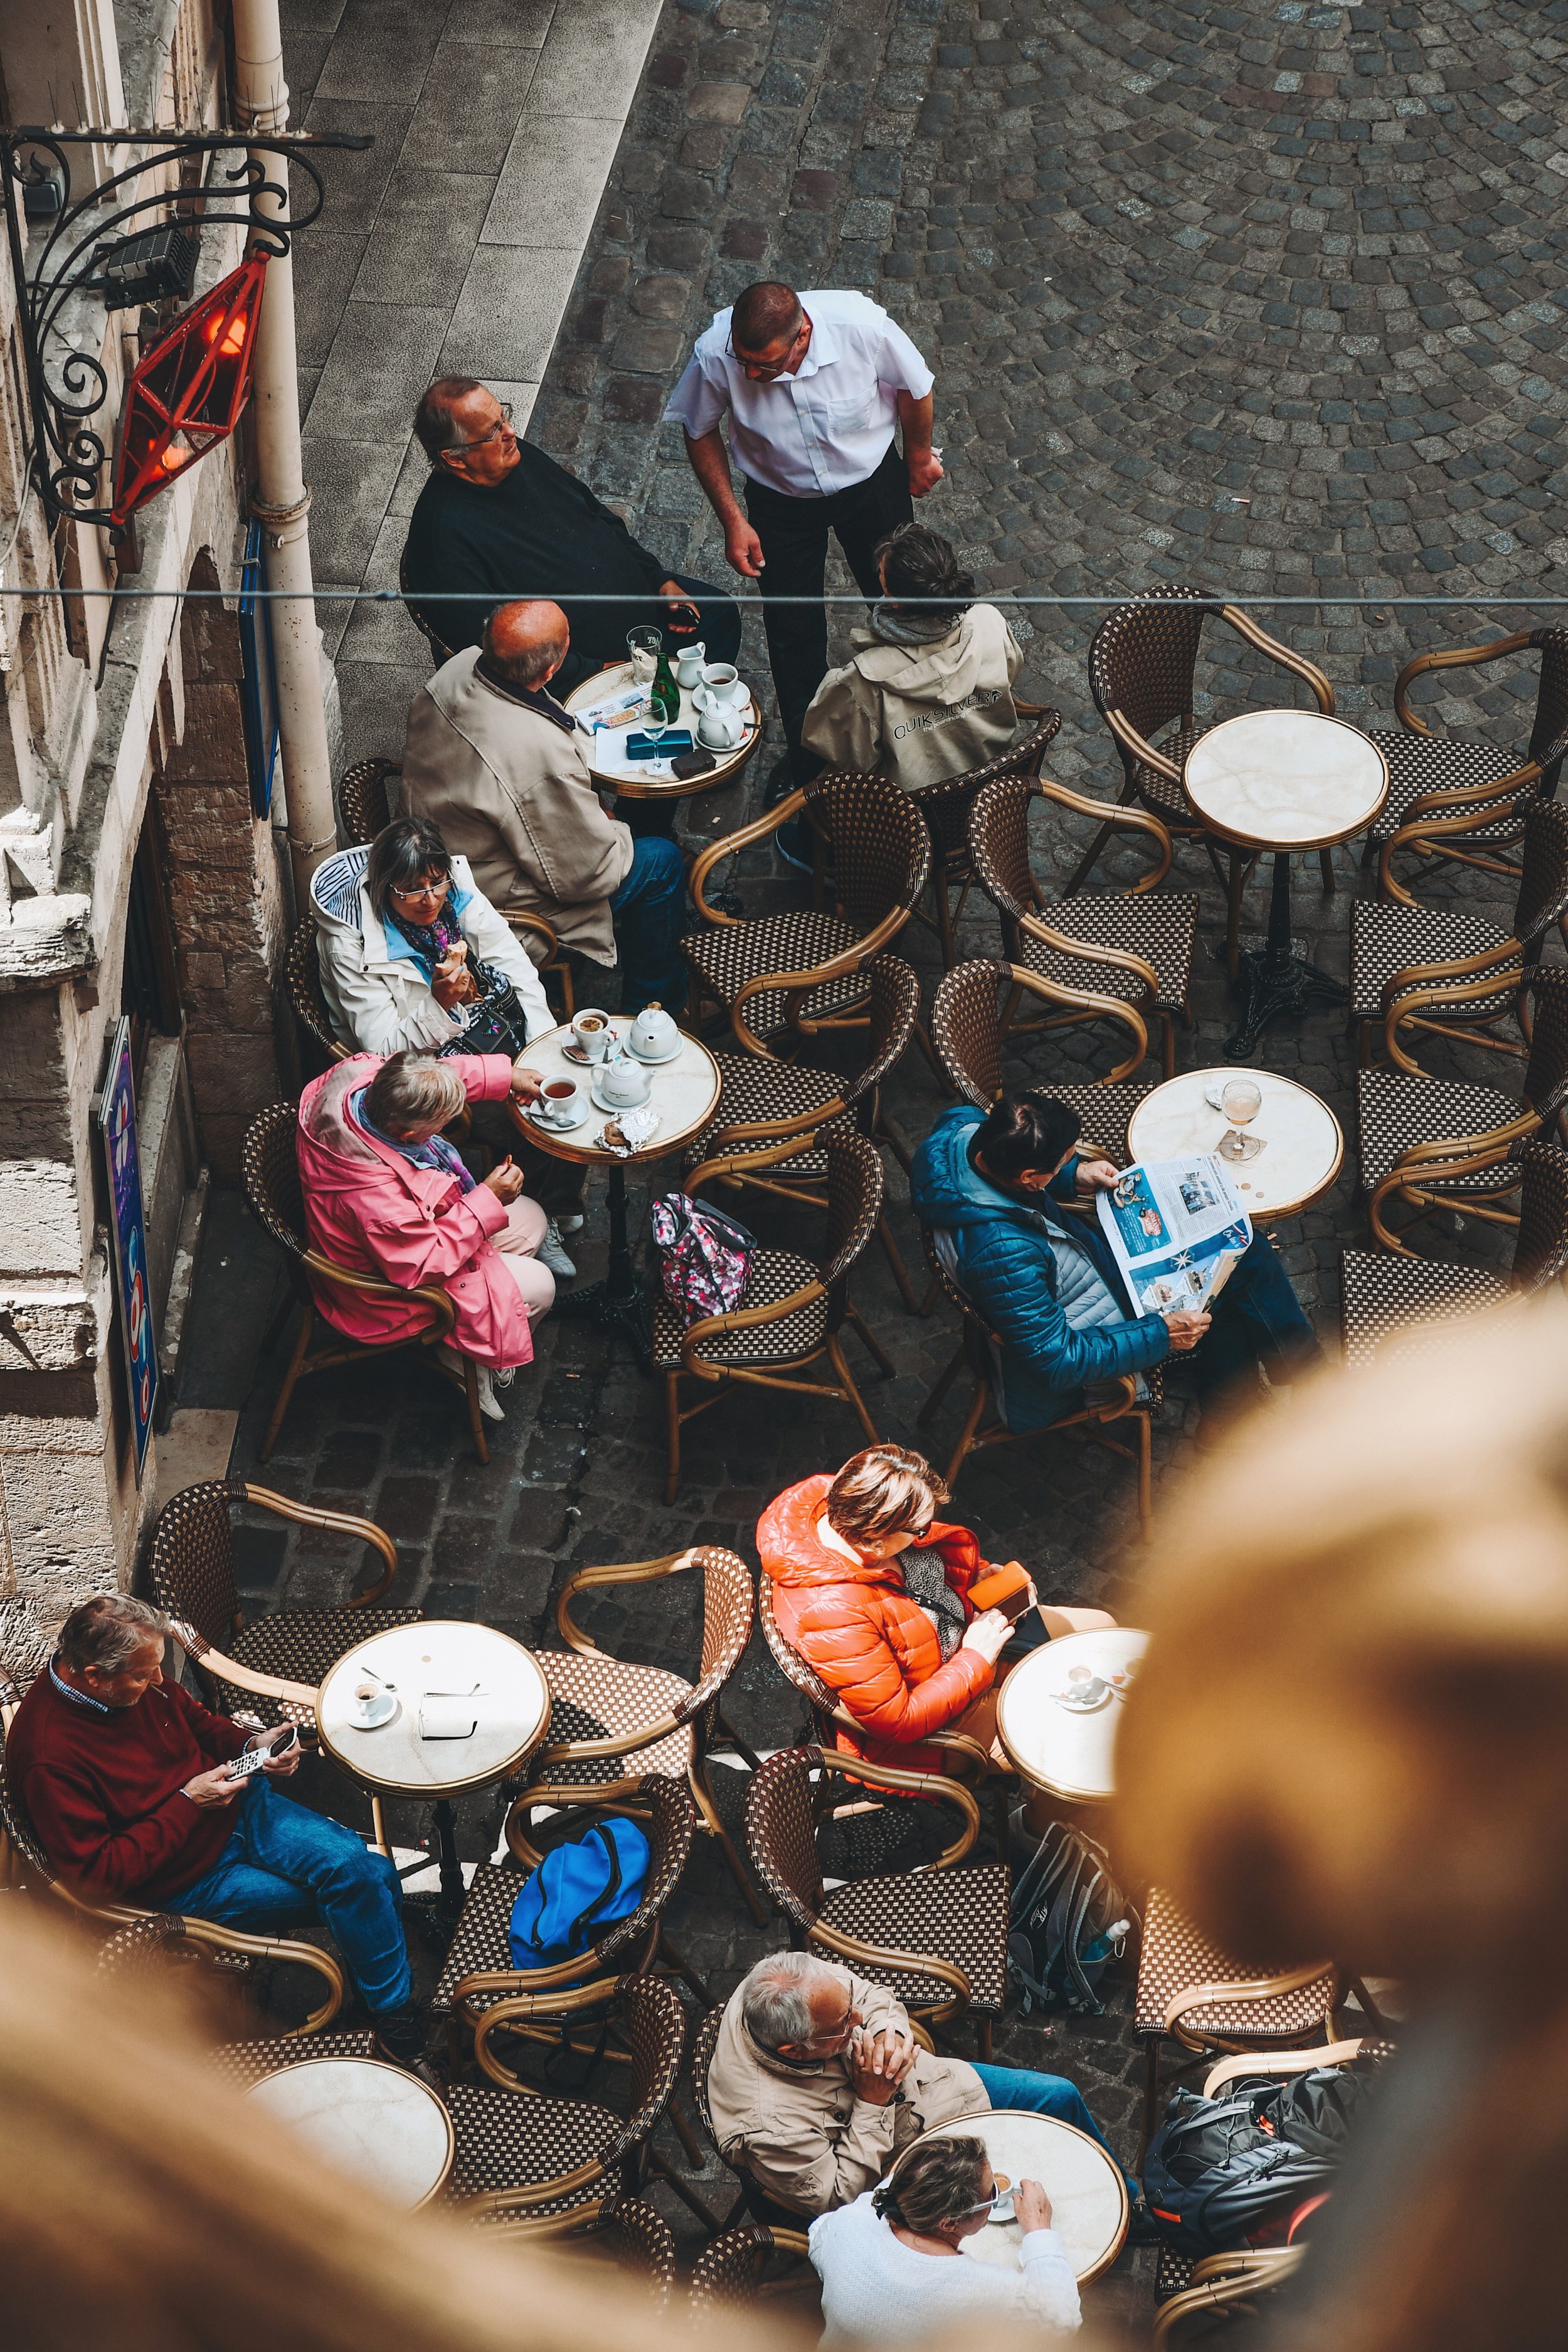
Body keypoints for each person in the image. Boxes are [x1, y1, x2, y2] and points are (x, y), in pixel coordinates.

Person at [5, 1594, 430, 2072]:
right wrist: (189, 1804)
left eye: (159, 1666)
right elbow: (98, 1876)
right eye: (144, 1675)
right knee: (370, 1881)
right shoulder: (50, 1758)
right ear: (93, 1677)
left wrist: (253, 1745)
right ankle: (394, 2024)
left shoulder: (133, 1681)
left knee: (361, 1873)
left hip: (239, 1809)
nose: (160, 1681)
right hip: (185, 1879)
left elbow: (193, 1720)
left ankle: (380, 2012)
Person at [909, 1090, 1324, 1444]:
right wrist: (1162, 1334)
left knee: (1234, 1262)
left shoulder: (961, 1136)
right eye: (1062, 1161)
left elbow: (1004, 1168)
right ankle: (1281, 1394)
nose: (1069, 1161)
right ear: (1030, 1177)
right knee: (1236, 1271)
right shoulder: (1003, 1255)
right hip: (1089, 1318)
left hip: (1080, 1264)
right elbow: (1059, 1361)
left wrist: (1073, 1174)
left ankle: (1264, 1395)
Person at [665, 281, 940, 795]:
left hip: (872, 486)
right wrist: (733, 520)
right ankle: (811, 767)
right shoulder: (716, 350)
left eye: (765, 365)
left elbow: (915, 386)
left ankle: (923, 736)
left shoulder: (861, 326)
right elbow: (699, 429)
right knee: (792, 633)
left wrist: (920, 456)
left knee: (906, 606)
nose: (751, 376)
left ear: (803, 336)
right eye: (744, 362)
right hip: (780, 502)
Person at [312, 812, 579, 1263]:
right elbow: (383, 1052)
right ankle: (539, 1213)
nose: (430, 899)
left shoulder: (455, 894)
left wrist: (540, 1046)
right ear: (385, 887)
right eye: (413, 890)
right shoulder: (352, 946)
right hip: (420, 1066)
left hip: (487, 1026)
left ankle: (557, 1201)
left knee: (564, 1082)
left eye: (437, 883)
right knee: (526, 1117)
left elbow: (511, 964)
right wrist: (438, 1005)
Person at [400, 602, 689, 1016]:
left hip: (439, 840)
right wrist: (616, 830)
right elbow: (586, 875)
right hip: (488, 898)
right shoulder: (538, 757)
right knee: (661, 859)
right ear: (552, 670)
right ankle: (654, 1011)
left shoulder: (458, 665)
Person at [758, 1444, 1113, 1769]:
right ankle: (1037, 1813)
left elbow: (926, 1567)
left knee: (1103, 1627)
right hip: (940, 1723)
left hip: (967, 1635)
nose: (927, 1533)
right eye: (919, 1530)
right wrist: (976, 1657)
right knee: (1075, 1750)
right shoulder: (833, 1616)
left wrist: (974, 1575)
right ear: (875, 1543)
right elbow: (898, 1721)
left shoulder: (851, 1497)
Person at [707, 1949, 1130, 2218]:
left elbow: (868, 1998)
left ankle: (1127, 2201)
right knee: (987, 2230)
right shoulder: (767, 2128)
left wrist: (887, 2032)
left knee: (1058, 2097)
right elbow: (838, 2199)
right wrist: (873, 2103)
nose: (857, 2021)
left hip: (934, 2089)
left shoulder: (790, 1981)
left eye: (849, 2011)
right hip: (899, 2171)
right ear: (795, 2051)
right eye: (843, 2026)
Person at [400, 376, 741, 694]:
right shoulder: (442, 539)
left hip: (643, 608)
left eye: (503, 417)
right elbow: (493, 649)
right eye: (493, 432)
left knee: (720, 615)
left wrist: (659, 579)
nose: (511, 432)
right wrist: (592, 672)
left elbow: (598, 515)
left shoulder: (517, 457)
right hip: (591, 663)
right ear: (455, 459)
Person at [295, 1047, 555, 1423]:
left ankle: (484, 1321)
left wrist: (505, 1076)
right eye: (440, 1124)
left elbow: (427, 1078)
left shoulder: (362, 1079)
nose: (447, 1126)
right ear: (406, 1134)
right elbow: (424, 1263)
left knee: (533, 1220)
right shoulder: (375, 1200)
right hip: (387, 1290)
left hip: (415, 1233)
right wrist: (488, 1199)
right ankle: (472, 1354)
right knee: (541, 1286)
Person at [801, 523, 1026, 790]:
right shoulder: (989, 619)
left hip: (910, 805)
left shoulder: (863, 679)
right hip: (992, 782)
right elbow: (1010, 675)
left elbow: (845, 753)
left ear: (895, 600)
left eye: (881, 572)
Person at [810, 2136, 1081, 2343]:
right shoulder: (986, 2291)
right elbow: (1062, 2321)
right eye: (991, 2195)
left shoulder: (849, 2222)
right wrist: (1038, 2228)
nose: (996, 2198)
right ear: (949, 2223)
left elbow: (818, 2232)